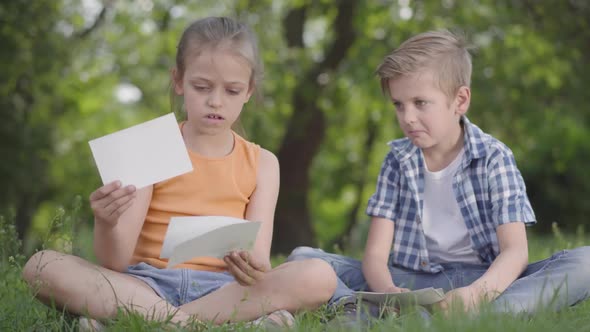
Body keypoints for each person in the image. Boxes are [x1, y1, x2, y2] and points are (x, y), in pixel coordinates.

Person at [22, 16, 337, 328]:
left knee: (319, 275)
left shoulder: (264, 162)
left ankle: (146, 322)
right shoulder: (152, 145)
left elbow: (260, 263)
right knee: (41, 266)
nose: (215, 101)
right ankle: (199, 324)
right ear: (178, 81)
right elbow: (114, 263)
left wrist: (251, 267)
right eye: (202, 87)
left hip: (222, 291)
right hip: (146, 286)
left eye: (231, 91)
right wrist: (106, 221)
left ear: (249, 90)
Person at [288, 30, 590, 316]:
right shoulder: (397, 161)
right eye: (399, 105)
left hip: (485, 279)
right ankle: (370, 309)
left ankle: (471, 313)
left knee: (586, 264)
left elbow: (515, 253)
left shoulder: (494, 157)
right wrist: (390, 291)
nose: (408, 117)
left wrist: (475, 295)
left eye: (420, 103)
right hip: (410, 281)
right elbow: (376, 257)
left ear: (460, 100)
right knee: (304, 258)